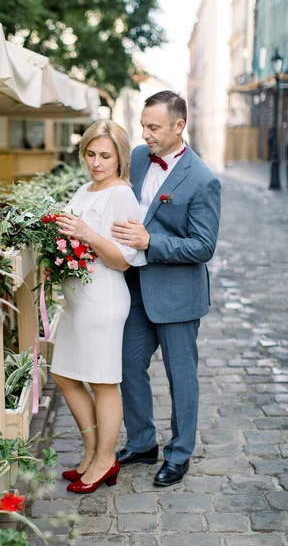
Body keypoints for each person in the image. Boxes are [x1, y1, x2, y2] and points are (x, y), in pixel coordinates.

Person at [111, 91, 221, 487]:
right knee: (127, 365)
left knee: (181, 378)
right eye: (143, 125)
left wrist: (149, 242)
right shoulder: (138, 158)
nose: (145, 134)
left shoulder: (203, 179)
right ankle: (141, 443)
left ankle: (179, 454)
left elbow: (203, 246)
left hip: (177, 296)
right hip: (135, 287)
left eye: (153, 127)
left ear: (179, 126)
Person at [52, 120, 146, 494]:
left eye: (105, 155)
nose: (96, 162)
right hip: (78, 299)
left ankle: (106, 459)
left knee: (103, 382)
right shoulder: (85, 188)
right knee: (64, 374)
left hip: (103, 298)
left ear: (120, 157)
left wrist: (88, 235)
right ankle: (92, 453)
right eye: (90, 154)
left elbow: (123, 260)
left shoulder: (121, 195)